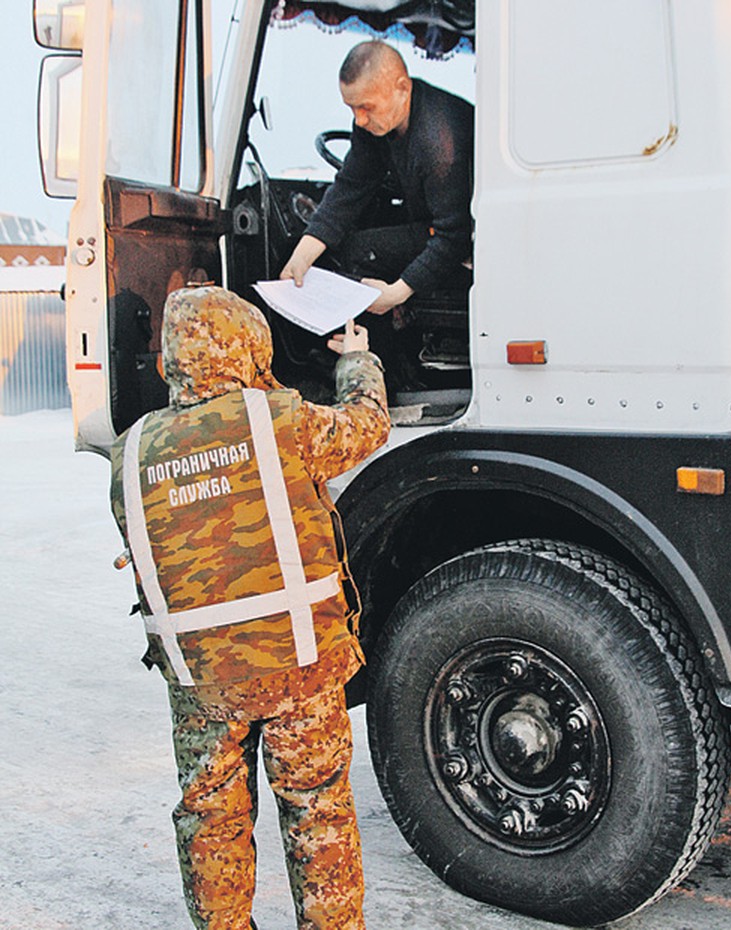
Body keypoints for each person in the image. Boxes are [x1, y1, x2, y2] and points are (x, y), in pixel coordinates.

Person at [109, 285, 390, 930]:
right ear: (249, 345)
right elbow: (367, 426)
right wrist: (357, 360)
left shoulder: (129, 451)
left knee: (210, 816)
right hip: (299, 664)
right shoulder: (280, 419)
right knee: (315, 809)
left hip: (202, 679)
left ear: (170, 359)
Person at [281, 40, 474, 320]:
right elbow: (351, 185)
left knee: (358, 253)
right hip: (433, 226)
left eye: (366, 108)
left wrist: (396, 293)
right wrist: (301, 256)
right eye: (352, 108)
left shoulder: (438, 144)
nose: (359, 121)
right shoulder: (375, 124)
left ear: (402, 88)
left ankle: (378, 355)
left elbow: (454, 236)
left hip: (465, 241)